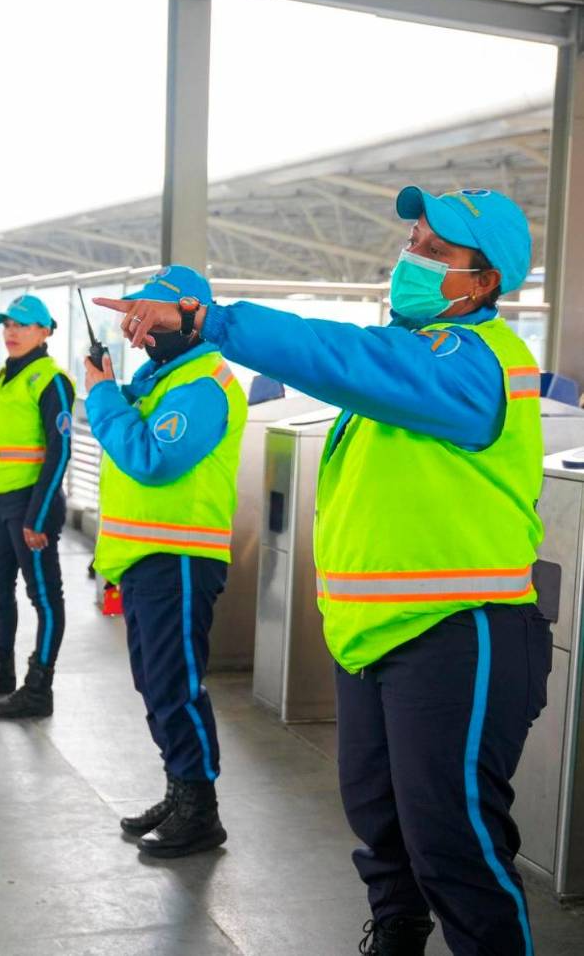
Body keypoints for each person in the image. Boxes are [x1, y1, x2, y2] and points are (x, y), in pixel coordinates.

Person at [97, 188, 549, 955]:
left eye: (436, 250)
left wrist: (212, 323)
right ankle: (396, 933)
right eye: (414, 238)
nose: (412, 255)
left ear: (483, 281)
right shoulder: (408, 366)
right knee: (381, 820)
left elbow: (339, 354)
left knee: (454, 844)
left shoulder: (475, 362)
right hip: (374, 635)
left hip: (459, 633)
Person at [85, 265, 247, 859]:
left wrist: (104, 397)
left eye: (149, 317)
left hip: (178, 559)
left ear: (188, 316)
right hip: (149, 560)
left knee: (175, 684)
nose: (139, 329)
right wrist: (114, 389)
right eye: (135, 317)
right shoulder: (163, 380)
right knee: (155, 682)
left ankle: (200, 809)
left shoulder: (203, 384)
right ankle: (181, 790)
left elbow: (153, 459)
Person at [0, 294, 75, 718]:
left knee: (44, 597)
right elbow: (2, 450)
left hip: (33, 506)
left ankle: (39, 688)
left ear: (44, 332)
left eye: (22, 325)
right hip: (5, 501)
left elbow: (59, 451)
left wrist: (37, 517)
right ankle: (0, 670)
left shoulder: (51, 380)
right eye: (7, 325)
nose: (11, 332)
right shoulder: (8, 376)